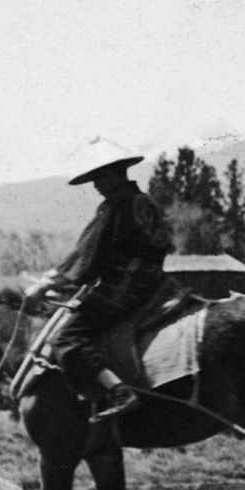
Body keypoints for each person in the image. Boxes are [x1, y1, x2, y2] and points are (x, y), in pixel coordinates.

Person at [26, 145, 174, 421]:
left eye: (98, 177)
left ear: (114, 174)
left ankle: (119, 390)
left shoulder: (115, 206)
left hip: (124, 287)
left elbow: (86, 255)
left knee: (66, 337)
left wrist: (45, 284)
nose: (95, 185)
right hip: (156, 282)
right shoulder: (144, 201)